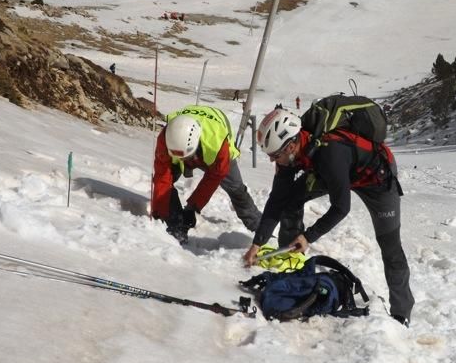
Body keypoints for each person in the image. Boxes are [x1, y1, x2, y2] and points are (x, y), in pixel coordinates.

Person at [242, 108, 414, 326]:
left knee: (390, 246)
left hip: (376, 178)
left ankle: (401, 314)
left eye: (275, 156)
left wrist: (308, 237)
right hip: (332, 173)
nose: (272, 160)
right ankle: (292, 266)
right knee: (290, 199)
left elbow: (341, 207)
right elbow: (277, 200)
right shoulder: (289, 155)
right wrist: (257, 243)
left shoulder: (330, 152)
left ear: (292, 145)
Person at [152, 105, 261, 243]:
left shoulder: (218, 143)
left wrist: (193, 207)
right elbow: (162, 177)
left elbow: (214, 177)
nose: (184, 161)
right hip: (185, 141)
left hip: (215, 146)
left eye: (187, 158)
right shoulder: (166, 138)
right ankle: (174, 220)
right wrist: (164, 214)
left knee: (236, 188)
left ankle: (259, 227)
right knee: (166, 181)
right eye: (181, 158)